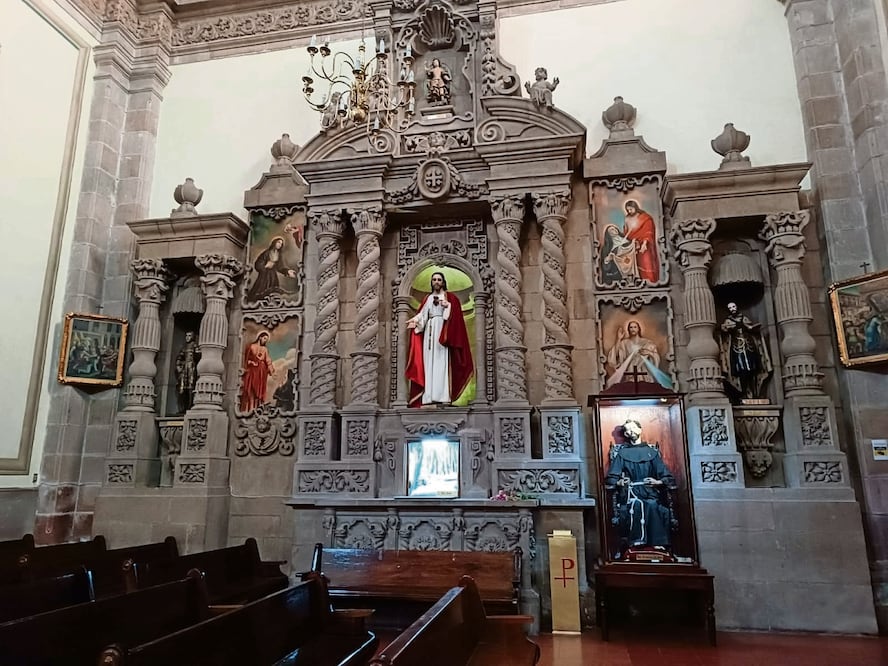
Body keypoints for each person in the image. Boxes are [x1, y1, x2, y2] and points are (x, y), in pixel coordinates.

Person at [604, 419, 676, 552]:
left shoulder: (652, 453)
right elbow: (612, 477)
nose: (630, 432)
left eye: (632, 428)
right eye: (627, 430)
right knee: (637, 505)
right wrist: (619, 482)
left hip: (650, 491)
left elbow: (666, 475)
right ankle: (636, 542)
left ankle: (657, 543)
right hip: (631, 492)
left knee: (652, 505)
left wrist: (658, 482)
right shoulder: (622, 454)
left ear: (640, 429)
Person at [405, 271, 473, 406]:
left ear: (443, 282)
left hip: (443, 332)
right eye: (434, 280)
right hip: (429, 333)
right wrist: (415, 321)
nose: (436, 282)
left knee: (441, 364)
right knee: (428, 364)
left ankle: (443, 396)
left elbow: (453, 317)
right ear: (431, 282)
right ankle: (428, 396)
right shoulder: (428, 298)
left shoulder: (450, 298)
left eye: (439, 280)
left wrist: (448, 307)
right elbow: (423, 315)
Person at [719, 302, 773, 401]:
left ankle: (755, 393)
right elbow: (724, 332)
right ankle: (744, 393)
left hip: (748, 347)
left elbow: (752, 328)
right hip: (737, 349)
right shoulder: (728, 321)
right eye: (730, 308)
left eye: (734, 306)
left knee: (752, 370)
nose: (732, 309)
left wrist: (751, 328)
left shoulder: (744, 318)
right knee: (741, 371)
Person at [605, 320, 672, 390]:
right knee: (630, 389)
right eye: (631, 327)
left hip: (645, 372)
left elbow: (656, 357)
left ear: (638, 329)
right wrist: (618, 339)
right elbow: (615, 355)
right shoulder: (624, 343)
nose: (633, 329)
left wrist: (649, 353)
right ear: (628, 329)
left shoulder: (647, 343)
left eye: (635, 327)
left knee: (646, 389)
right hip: (630, 372)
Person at [245, 237, 298, 302]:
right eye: (278, 242)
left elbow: (280, 267)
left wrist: (287, 271)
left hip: (273, 276)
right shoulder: (267, 253)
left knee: (273, 292)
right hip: (264, 275)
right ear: (274, 243)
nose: (279, 245)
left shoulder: (278, 255)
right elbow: (258, 263)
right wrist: (265, 266)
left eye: (281, 244)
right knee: (261, 291)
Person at [623, 200, 659, 283]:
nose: (629, 211)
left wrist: (645, 243)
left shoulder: (645, 218)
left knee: (646, 262)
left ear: (635, 207)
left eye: (631, 209)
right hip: (633, 245)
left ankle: (650, 281)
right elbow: (627, 231)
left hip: (644, 244)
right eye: (628, 210)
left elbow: (648, 231)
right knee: (635, 264)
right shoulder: (627, 218)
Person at [240, 330, 275, 413]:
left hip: (262, 372)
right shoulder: (251, 347)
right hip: (252, 372)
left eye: (266, 339)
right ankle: (250, 408)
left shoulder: (265, 349)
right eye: (264, 338)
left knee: (260, 391)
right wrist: (251, 363)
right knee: (251, 389)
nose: (265, 340)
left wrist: (272, 371)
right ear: (260, 337)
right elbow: (246, 360)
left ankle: (257, 408)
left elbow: (268, 361)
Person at [174, 331, 200, 413]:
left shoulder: (195, 346)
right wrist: (179, 367)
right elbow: (179, 358)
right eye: (186, 335)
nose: (187, 337)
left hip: (192, 368)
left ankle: (190, 405)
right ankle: (183, 408)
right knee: (182, 388)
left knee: (191, 387)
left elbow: (198, 357)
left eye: (189, 336)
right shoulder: (184, 347)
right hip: (184, 369)